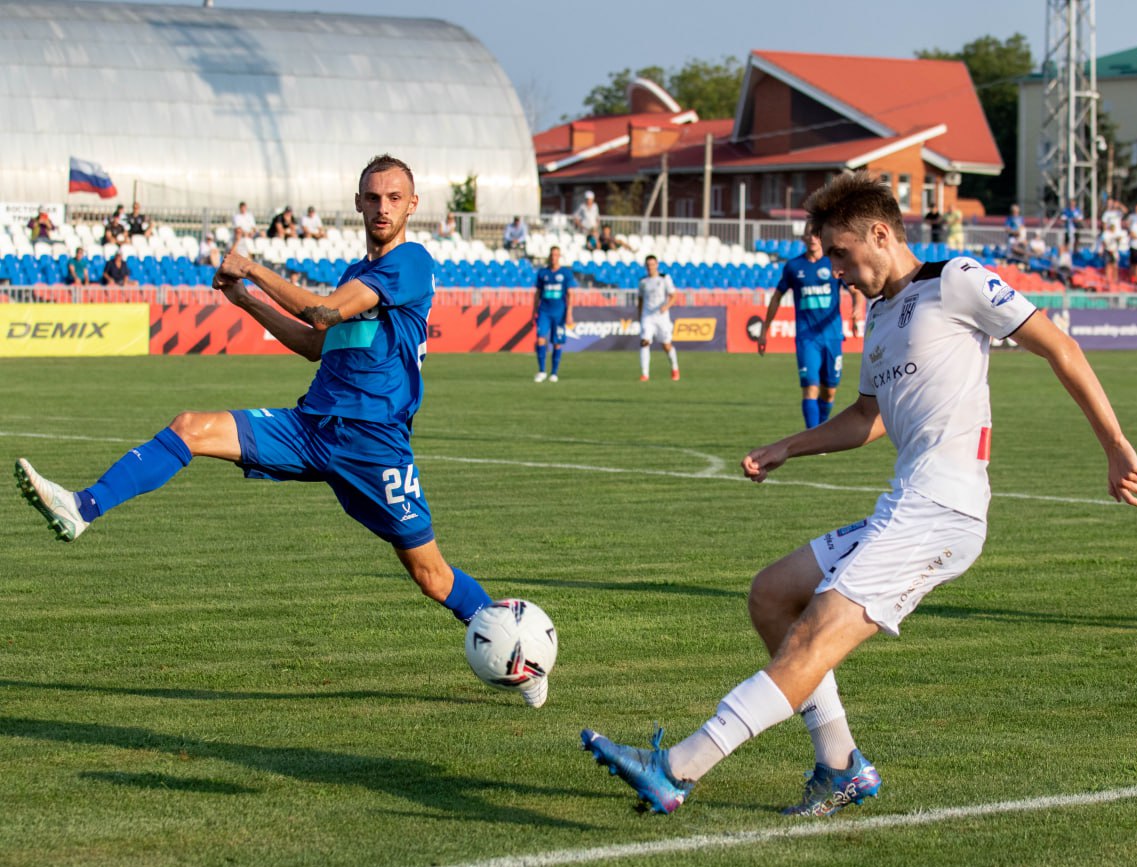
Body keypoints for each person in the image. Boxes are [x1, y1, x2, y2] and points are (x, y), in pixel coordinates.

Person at [582, 170, 1137, 816]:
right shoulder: (879, 317)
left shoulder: (957, 279)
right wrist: (786, 446)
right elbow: (865, 418)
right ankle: (840, 763)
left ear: (881, 233)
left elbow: (1060, 347)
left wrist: (1114, 444)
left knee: (814, 634)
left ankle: (677, 767)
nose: (839, 273)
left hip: (944, 509)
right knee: (773, 594)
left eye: (843, 255)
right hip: (906, 503)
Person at [13, 154, 549, 710]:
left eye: (394, 198)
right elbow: (316, 343)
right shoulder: (356, 275)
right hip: (311, 426)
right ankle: (81, 508)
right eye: (372, 197)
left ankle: (523, 661)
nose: (382, 207)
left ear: (412, 205)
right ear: (358, 202)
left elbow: (321, 313)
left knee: (432, 576)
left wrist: (254, 269)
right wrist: (244, 298)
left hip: (374, 445)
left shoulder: (410, 262)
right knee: (191, 427)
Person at [758, 224, 853, 429]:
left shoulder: (833, 263)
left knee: (829, 390)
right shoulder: (794, 266)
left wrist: (856, 311)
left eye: (816, 234)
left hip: (833, 336)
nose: (812, 238)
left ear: (822, 237)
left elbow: (855, 290)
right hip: (806, 337)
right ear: (803, 237)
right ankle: (814, 435)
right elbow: (776, 298)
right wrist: (764, 331)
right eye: (808, 234)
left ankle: (822, 427)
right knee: (810, 387)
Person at [532, 246, 573, 382]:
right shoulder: (543, 273)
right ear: (549, 256)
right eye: (552, 255)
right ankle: (542, 370)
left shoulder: (565, 273)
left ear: (559, 256)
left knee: (557, 342)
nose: (554, 257)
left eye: (556, 255)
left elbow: (570, 294)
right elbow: (537, 293)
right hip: (544, 310)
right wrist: (534, 310)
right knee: (540, 338)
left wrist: (569, 313)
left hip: (559, 312)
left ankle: (554, 372)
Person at [636, 254, 680, 382]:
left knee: (666, 345)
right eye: (648, 265)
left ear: (657, 265)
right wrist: (639, 316)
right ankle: (645, 374)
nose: (650, 267)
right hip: (647, 316)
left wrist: (666, 306)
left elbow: (673, 296)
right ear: (646, 266)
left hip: (661, 317)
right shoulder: (643, 282)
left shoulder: (664, 278)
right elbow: (640, 300)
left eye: (652, 264)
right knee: (644, 342)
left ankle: (675, 368)